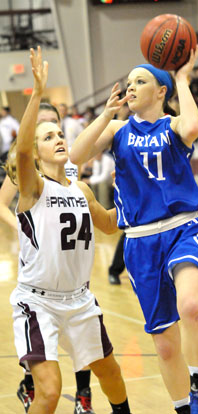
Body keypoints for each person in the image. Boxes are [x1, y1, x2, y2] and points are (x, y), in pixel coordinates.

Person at [70, 46, 198, 414]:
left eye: (141, 81)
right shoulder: (118, 130)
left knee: (192, 305)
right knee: (165, 345)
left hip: (183, 227)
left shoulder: (173, 125)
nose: (130, 88)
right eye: (129, 81)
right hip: (139, 241)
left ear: (161, 91)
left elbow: (194, 126)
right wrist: (104, 116)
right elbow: (77, 156)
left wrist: (182, 79)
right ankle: (185, 408)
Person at [8, 46, 132, 414]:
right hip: (38, 301)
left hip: (79, 299)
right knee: (49, 391)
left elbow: (110, 226)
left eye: (59, 133)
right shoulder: (34, 188)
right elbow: (24, 155)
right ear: (35, 150)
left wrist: (133, 197)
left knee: (109, 370)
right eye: (48, 137)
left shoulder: (80, 189)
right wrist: (38, 93)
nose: (59, 139)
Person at [0, 103, 96, 414]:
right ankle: (30, 382)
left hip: (73, 261)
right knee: (43, 331)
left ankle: (84, 395)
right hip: (40, 267)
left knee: (83, 329)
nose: (52, 133)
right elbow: (2, 204)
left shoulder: (69, 165)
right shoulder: (26, 168)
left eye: (55, 124)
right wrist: (23, 227)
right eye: (43, 127)